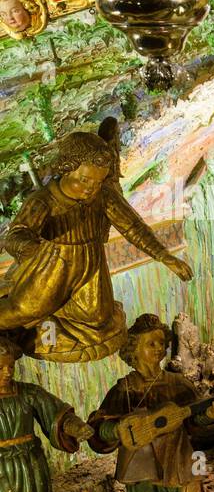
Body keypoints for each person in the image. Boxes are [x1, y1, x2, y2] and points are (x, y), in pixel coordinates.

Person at [0, 128, 193, 362]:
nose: (91, 187)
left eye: (98, 181)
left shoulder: (102, 195)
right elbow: (16, 235)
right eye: (85, 179)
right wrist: (35, 249)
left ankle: (58, 310)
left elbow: (132, 227)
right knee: (25, 310)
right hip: (53, 265)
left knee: (99, 317)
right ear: (67, 168)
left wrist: (165, 257)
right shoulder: (43, 201)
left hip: (91, 264)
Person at [89, 314, 214, 492]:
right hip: (142, 470)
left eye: (162, 343)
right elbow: (98, 428)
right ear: (134, 348)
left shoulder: (178, 384)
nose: (158, 348)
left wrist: (209, 415)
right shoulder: (124, 389)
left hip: (179, 463)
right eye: (150, 343)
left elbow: (193, 423)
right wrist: (117, 430)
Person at [0, 337, 94, 492]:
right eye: (0, 367)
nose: (7, 372)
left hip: (29, 468)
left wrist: (74, 426)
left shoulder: (28, 393)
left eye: (10, 366)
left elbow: (56, 414)